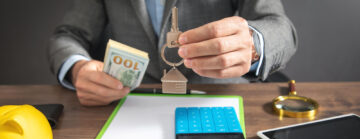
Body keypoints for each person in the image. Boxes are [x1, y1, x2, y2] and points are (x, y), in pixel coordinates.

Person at [48, 0, 297, 106]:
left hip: (218, 98)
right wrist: (78, 68)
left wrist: (253, 44)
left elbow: (282, 29)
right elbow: (68, 35)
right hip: (130, 102)